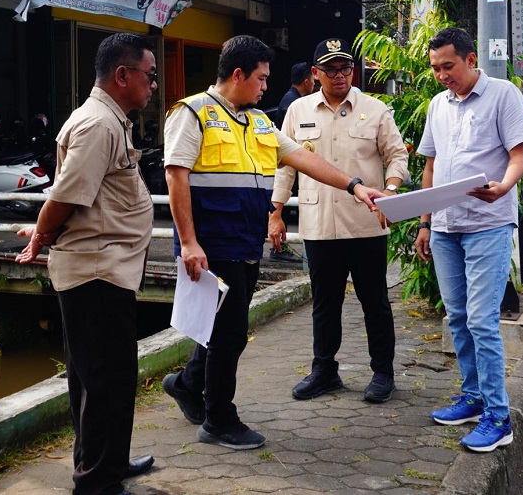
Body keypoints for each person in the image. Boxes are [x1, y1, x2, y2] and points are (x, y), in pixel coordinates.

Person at [161, 34, 386, 450]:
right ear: (238, 74)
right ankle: (219, 420)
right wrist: (189, 242)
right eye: (262, 78)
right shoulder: (193, 113)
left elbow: (304, 159)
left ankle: (187, 385)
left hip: (246, 243)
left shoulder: (257, 121)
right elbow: (175, 176)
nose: (267, 86)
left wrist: (355, 185)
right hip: (211, 246)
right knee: (229, 334)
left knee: (220, 328)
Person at [15, 33, 158, 495]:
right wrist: (41, 234)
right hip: (96, 273)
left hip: (104, 269)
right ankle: (98, 482)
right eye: (150, 75)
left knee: (98, 379)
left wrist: (44, 232)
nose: (154, 84)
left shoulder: (109, 120)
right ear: (123, 75)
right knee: (105, 381)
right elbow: (65, 197)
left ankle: (107, 462)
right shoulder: (99, 124)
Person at [269, 38, 409, 404]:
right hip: (319, 223)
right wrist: (276, 212)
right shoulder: (298, 110)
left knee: (374, 301)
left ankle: (383, 372)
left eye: (345, 68)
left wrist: (391, 189)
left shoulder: (375, 109)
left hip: (366, 223)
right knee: (324, 302)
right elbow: (285, 165)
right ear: (315, 73)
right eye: (330, 69)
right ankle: (324, 371)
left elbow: (397, 155)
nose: (339, 75)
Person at [413, 27, 523, 453]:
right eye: (435, 68)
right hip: (445, 227)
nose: (442, 75)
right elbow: (431, 166)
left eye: (448, 66)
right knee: (459, 317)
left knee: (482, 321)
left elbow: (520, 155)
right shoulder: (437, 105)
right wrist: (425, 222)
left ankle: (499, 418)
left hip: (488, 224)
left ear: (469, 59)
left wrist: (504, 186)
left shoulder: (503, 95)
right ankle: (473, 397)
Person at [269, 62, 315, 263]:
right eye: (312, 79)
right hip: (288, 162)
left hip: (292, 160)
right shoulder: (294, 105)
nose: (314, 83)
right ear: (306, 81)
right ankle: (279, 248)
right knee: (284, 207)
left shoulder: (293, 99)